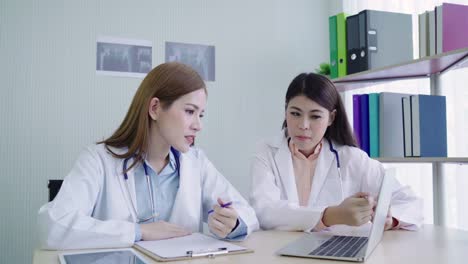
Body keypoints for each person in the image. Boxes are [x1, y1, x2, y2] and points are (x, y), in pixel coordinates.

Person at [38, 62, 259, 250]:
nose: (198, 125)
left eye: (201, 115)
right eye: (190, 111)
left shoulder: (196, 163)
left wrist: (233, 222)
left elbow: (246, 212)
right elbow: (53, 224)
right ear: (155, 108)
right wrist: (138, 231)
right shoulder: (98, 160)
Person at [249, 72, 423, 232]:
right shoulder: (266, 152)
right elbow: (264, 211)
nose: (303, 125)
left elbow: (411, 202)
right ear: (285, 110)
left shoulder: (352, 158)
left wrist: (389, 219)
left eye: (315, 116)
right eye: (295, 113)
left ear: (331, 117)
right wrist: (332, 215)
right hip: (279, 251)